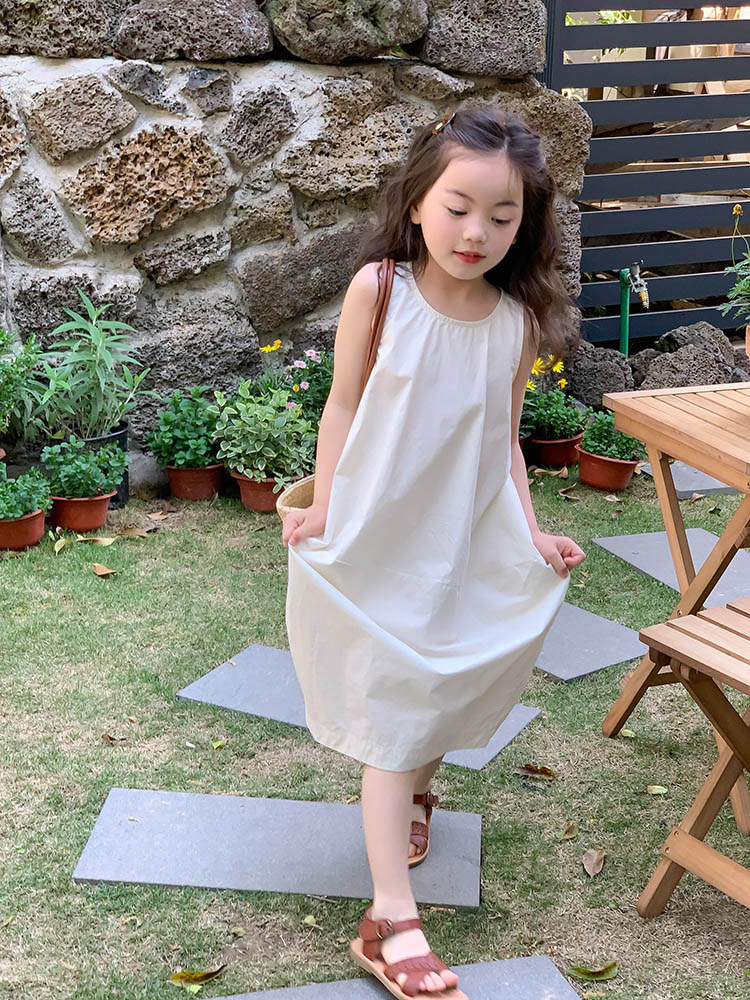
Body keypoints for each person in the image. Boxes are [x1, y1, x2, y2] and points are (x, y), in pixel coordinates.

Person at [282, 104, 586, 1000]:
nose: (475, 231)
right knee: (394, 707)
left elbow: (504, 439)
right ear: (418, 201)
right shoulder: (379, 291)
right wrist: (325, 501)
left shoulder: (515, 320)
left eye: (502, 215)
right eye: (458, 207)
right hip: (382, 530)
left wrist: (531, 531)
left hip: (460, 535)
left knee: (444, 678)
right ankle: (391, 917)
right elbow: (343, 404)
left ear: (525, 225)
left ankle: (419, 787)